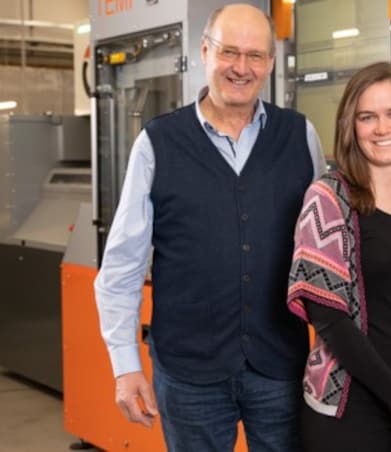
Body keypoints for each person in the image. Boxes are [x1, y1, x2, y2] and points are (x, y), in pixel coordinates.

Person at [94, 4, 325, 451]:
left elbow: (326, 249)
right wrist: (125, 365)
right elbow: (122, 264)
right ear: (204, 51)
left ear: (271, 63)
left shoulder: (300, 136)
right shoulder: (157, 143)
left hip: (280, 365)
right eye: (229, 52)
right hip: (188, 374)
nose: (241, 68)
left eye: (255, 55)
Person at [286, 61, 391, 451]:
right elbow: (328, 318)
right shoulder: (328, 198)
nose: (383, 128)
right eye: (368, 117)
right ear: (352, 127)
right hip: (349, 409)